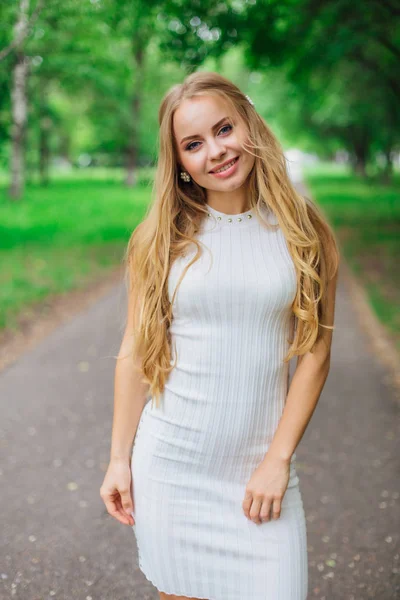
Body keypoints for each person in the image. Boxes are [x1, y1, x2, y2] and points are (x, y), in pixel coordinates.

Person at [100, 71, 339, 600]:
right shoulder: (159, 239)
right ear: (180, 163)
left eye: (224, 128)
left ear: (249, 124)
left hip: (263, 476)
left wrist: (277, 460)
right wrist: (119, 459)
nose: (216, 151)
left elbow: (317, 356)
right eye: (193, 144)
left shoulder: (304, 228)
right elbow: (135, 355)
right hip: (173, 472)